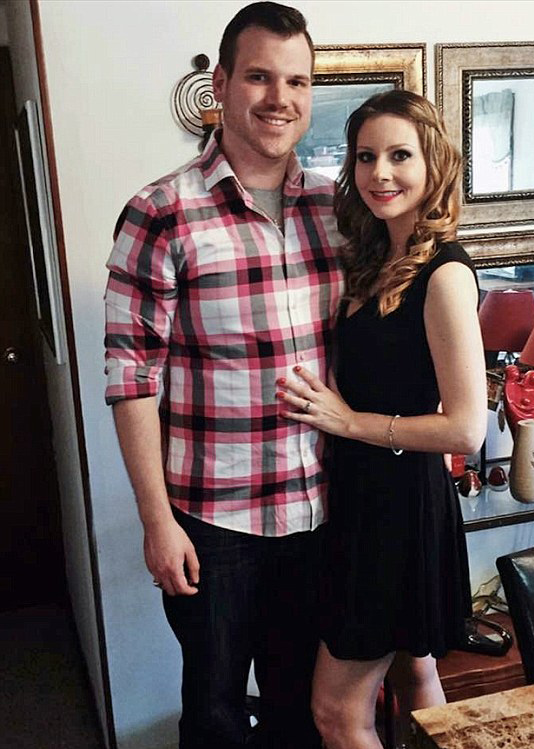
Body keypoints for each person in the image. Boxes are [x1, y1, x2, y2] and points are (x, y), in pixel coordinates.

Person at [103, 3, 342, 748]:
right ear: (221, 85)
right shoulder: (161, 212)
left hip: (319, 512)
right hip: (214, 524)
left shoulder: (337, 207)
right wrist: (156, 521)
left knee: (301, 711)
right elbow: (131, 377)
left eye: (297, 81)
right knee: (214, 716)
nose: (280, 98)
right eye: (260, 77)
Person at [276, 90, 487, 749]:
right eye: (366, 157)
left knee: (335, 711)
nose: (380, 173)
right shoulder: (375, 259)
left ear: (433, 164)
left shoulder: (444, 274)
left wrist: (349, 421)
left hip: (396, 507)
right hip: (366, 497)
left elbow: (466, 429)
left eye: (400, 155)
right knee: (416, 674)